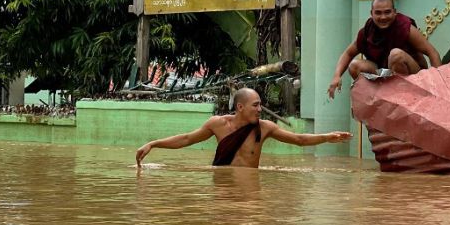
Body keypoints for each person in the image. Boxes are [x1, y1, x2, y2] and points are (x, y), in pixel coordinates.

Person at [135, 87, 352, 168]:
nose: (260, 109)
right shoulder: (217, 124)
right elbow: (186, 139)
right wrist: (153, 144)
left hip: (250, 188)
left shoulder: (265, 127)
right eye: (255, 105)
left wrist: (327, 137)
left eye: (260, 105)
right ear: (240, 107)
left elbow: (299, 140)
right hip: (222, 185)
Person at [327, 0, 441, 99]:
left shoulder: (405, 27)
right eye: (378, 13)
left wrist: (439, 86)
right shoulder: (367, 31)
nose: (383, 17)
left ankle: (400, 97)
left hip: (414, 76)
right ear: (371, 13)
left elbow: (432, 52)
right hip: (386, 74)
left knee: (396, 55)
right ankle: (375, 99)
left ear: (394, 12)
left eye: (387, 12)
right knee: (354, 65)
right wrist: (336, 76)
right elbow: (348, 53)